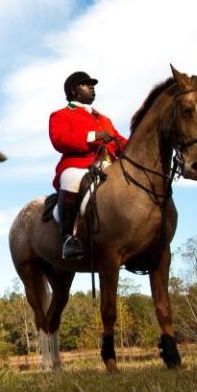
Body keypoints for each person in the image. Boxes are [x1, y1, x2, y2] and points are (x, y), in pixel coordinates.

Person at [49, 71, 127, 260]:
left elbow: (119, 140)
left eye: (92, 85)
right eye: (86, 84)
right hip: (78, 166)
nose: (92, 87)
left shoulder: (104, 119)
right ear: (73, 90)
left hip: (109, 165)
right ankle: (69, 239)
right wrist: (93, 136)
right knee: (70, 181)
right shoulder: (61, 115)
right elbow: (60, 140)